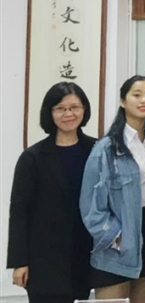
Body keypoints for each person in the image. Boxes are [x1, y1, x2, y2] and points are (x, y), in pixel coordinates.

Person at [7, 82, 96, 303]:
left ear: (84, 110)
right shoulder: (32, 157)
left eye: (74, 107)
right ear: (50, 112)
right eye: (60, 108)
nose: (68, 114)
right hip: (43, 258)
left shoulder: (97, 150)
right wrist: (19, 262)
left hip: (84, 252)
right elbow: (19, 212)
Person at [80, 76, 145, 302]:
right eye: (137, 95)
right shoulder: (106, 148)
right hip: (117, 240)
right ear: (123, 101)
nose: (144, 100)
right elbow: (90, 205)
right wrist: (116, 236)